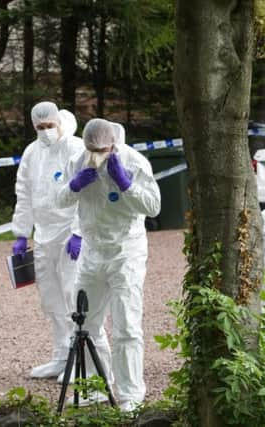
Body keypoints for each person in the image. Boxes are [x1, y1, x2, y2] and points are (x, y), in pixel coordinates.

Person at [56, 118, 160, 412]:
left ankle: (130, 395)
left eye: (102, 149)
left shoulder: (134, 162)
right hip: (92, 250)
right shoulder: (79, 160)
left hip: (126, 250)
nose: (96, 154)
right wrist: (74, 186)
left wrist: (126, 184)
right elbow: (59, 199)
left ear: (114, 144)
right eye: (92, 149)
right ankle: (96, 386)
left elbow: (153, 206)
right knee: (84, 321)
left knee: (126, 323)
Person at [11, 101, 85, 380]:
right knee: (51, 298)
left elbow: (84, 193)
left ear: (59, 122)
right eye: (39, 127)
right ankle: (61, 355)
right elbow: (24, 192)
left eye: (49, 126)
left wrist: (79, 232)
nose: (45, 132)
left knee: (72, 294)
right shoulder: (32, 152)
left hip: (68, 234)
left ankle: (80, 360)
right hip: (43, 235)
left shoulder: (74, 148)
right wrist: (21, 232)